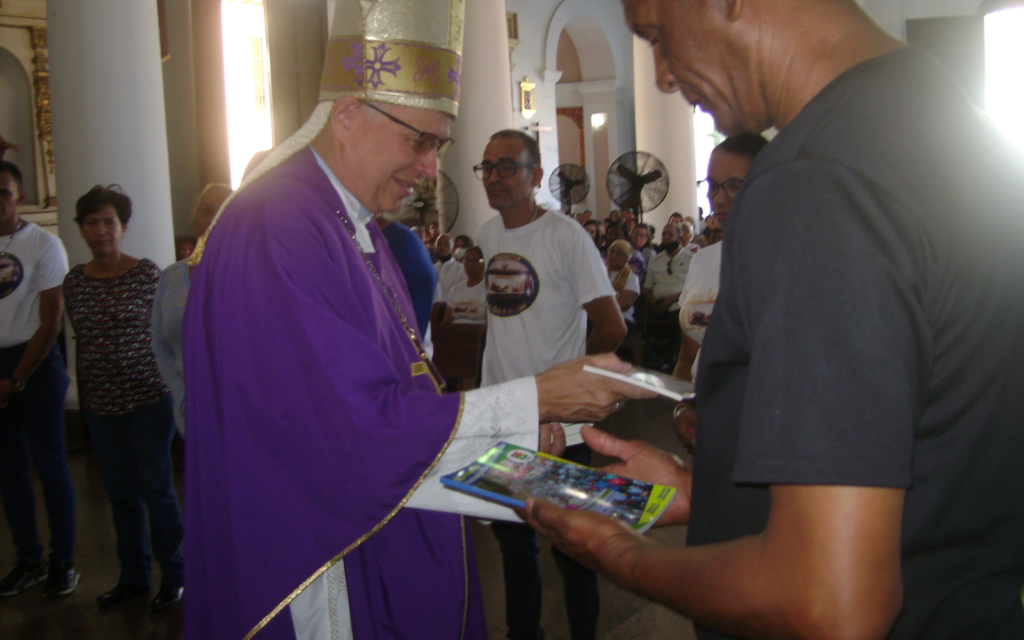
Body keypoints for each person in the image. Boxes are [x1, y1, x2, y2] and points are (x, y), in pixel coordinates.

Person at [520, 1, 1024, 639]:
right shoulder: (947, 120)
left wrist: (620, 554)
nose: (665, 78)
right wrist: (705, 491)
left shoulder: (816, 181)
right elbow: (927, 445)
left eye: (658, 36)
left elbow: (832, 601)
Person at [181, 3, 652, 639]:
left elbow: (400, 414)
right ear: (348, 115)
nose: (433, 168)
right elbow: (353, 441)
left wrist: (598, 493)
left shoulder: (353, 226)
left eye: (439, 145)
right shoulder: (278, 226)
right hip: (322, 565)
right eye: (420, 140)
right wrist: (538, 397)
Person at [475, 129, 627, 640]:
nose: (494, 177)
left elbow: (612, 326)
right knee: (514, 545)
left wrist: (570, 388)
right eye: (487, 167)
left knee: (572, 548)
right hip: (505, 417)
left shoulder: (565, 236)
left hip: (560, 425)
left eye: (507, 166)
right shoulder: (489, 234)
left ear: (536, 176)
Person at [63, 185, 184, 612]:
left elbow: (166, 335)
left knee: (157, 488)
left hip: (148, 399)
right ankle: (133, 577)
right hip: (101, 406)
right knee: (120, 493)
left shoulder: (147, 274)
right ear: (81, 229)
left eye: (108, 222)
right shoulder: (75, 281)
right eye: (91, 223)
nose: (100, 230)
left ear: (123, 227)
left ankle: (175, 575)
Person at [0, 160, 78, 599]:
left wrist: (15, 379)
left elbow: (51, 322)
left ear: (20, 195)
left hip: (34, 362)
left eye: (4, 192)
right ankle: (27, 559)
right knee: (8, 470)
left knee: (50, 465)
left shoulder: (43, 245)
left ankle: (63, 562)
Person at [673, 135, 767, 385]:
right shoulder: (703, 260)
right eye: (713, 186)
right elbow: (687, 357)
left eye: (735, 186)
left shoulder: (789, 260)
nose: (719, 198)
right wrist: (683, 405)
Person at [151, 183, 232, 435]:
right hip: (188, 409)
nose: (212, 219)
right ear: (194, 215)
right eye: (206, 210)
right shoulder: (170, 278)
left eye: (223, 211)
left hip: (234, 407)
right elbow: (160, 345)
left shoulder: (248, 275)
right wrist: (183, 396)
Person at [605, 239, 640, 341]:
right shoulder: (599, 274)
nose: (614, 255)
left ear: (626, 258)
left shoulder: (631, 278)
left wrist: (599, 313)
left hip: (622, 321)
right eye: (611, 251)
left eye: (619, 253)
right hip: (598, 319)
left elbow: (623, 305)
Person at [442, 245, 487, 325]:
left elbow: (489, 326)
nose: (470, 265)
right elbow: (446, 323)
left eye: (475, 261)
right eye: (467, 260)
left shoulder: (488, 289)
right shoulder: (455, 290)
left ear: (484, 264)